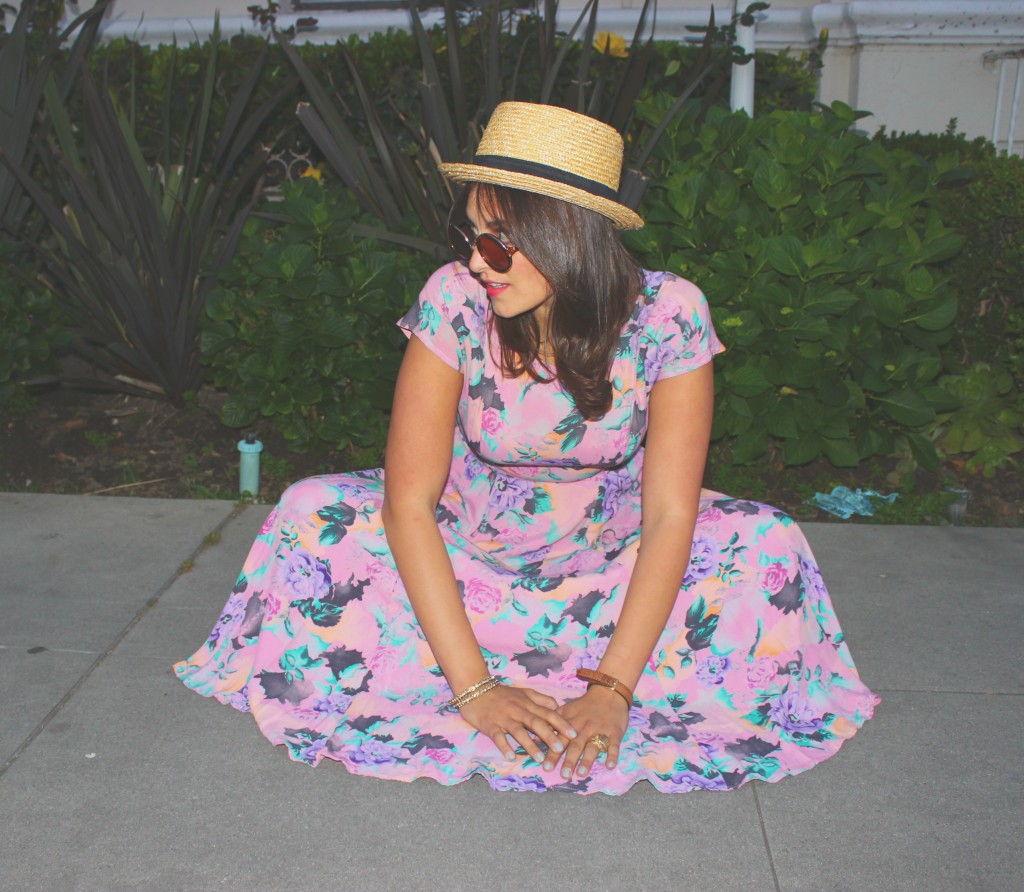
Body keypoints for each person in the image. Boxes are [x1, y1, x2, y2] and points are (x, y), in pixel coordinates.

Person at [174, 102, 879, 794]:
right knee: (312, 510)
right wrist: (475, 691)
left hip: (611, 556)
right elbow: (408, 504)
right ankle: (469, 662)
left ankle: (600, 665)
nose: (477, 261)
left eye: (498, 239)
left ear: (564, 235)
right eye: (471, 234)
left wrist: (613, 691)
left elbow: (671, 514)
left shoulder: (670, 314)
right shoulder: (454, 300)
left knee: (768, 543)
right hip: (467, 546)